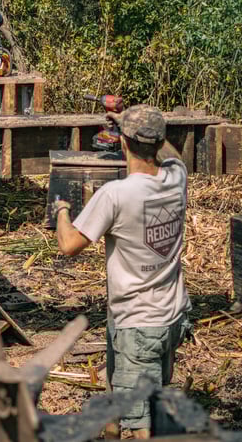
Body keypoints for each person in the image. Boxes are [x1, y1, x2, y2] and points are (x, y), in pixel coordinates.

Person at [51, 105, 193, 439]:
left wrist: (61, 210)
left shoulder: (116, 194)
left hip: (137, 323)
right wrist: (138, 125)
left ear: (123, 143)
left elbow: (69, 245)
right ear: (157, 142)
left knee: (139, 426)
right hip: (171, 316)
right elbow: (173, 156)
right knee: (131, 394)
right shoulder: (177, 178)